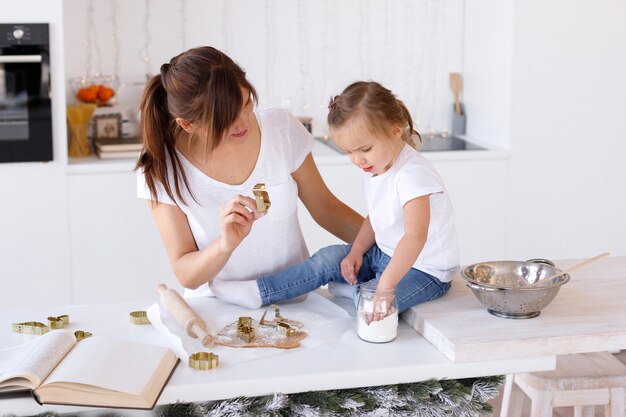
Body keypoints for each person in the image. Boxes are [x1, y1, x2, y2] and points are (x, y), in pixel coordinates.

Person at [211, 81, 459, 315]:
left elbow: (415, 237)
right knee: (326, 259)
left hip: (424, 271)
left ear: (395, 131)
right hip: (384, 254)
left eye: (365, 149)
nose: (357, 160)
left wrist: (385, 286)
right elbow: (377, 216)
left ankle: (358, 290)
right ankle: (260, 291)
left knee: (373, 306)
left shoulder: (413, 175)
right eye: (349, 152)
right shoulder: (377, 166)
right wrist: (357, 251)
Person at [135, 46, 363, 299]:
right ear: (188, 124)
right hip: (217, 314)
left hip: (295, 301)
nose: (243, 122)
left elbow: (327, 209)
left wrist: (395, 244)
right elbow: (186, 274)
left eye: (246, 103)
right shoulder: (161, 168)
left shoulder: (280, 128)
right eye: (225, 118)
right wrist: (225, 245)